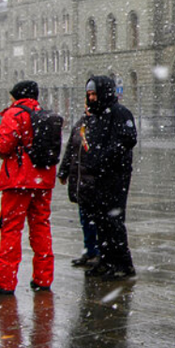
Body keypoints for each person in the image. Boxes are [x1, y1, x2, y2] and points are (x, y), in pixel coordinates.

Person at [0, 80, 58, 294]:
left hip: (19, 179)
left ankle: (6, 281)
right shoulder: (44, 113)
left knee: (11, 228)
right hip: (43, 178)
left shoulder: (15, 113)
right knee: (41, 226)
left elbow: (5, 145)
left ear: (17, 95)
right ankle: (43, 278)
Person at [79, 75, 137, 280]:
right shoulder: (96, 115)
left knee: (113, 220)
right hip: (99, 175)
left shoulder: (119, 113)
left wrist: (103, 158)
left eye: (94, 94)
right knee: (100, 219)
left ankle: (122, 263)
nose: (91, 98)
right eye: (89, 94)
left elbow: (127, 139)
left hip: (115, 175)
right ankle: (106, 260)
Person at [58, 111, 99, 269]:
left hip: (92, 178)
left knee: (95, 218)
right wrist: (64, 170)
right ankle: (89, 250)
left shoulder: (100, 122)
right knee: (85, 217)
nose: (88, 104)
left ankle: (97, 252)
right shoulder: (81, 123)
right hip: (81, 178)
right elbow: (71, 149)